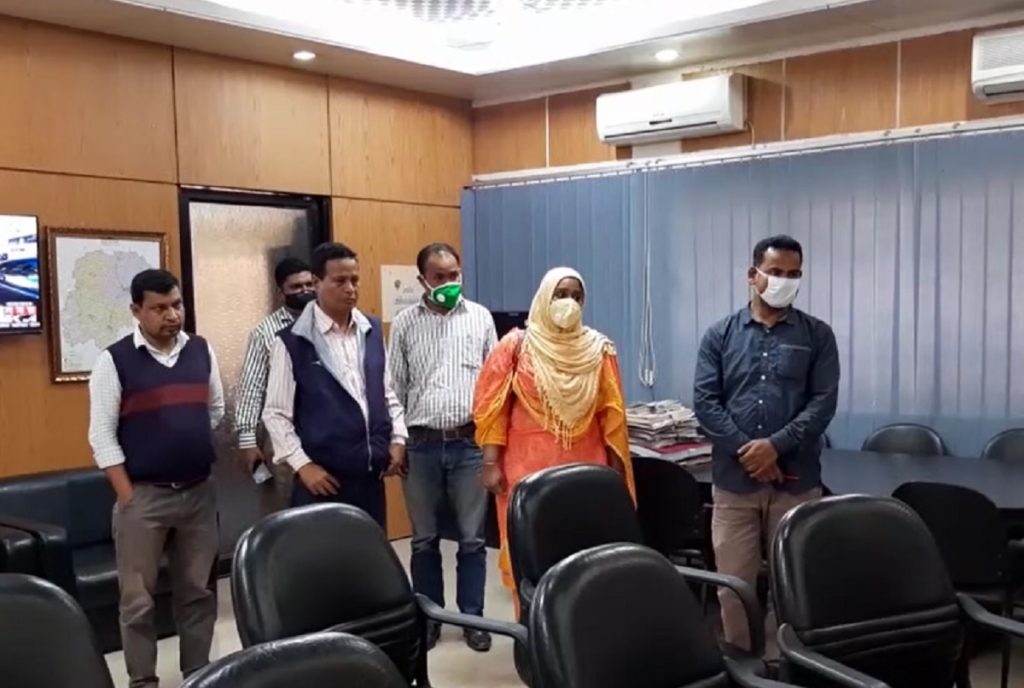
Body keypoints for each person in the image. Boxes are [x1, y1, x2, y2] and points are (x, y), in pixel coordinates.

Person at [693, 234, 840, 651]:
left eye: (794, 274)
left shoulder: (817, 336)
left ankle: (784, 665)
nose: (784, 281)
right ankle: (743, 666)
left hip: (796, 484)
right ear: (752, 275)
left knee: (792, 587)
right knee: (733, 586)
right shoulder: (720, 335)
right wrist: (750, 452)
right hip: (733, 485)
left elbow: (823, 403)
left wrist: (775, 446)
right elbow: (706, 402)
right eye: (775, 272)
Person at [88, 269, 223, 688]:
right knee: (137, 601)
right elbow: (101, 435)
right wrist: (127, 496)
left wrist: (186, 442)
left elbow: (215, 410)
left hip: (198, 494)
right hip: (144, 498)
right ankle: (142, 680)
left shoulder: (200, 350)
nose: (172, 315)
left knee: (198, 591)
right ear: (137, 310)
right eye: (159, 308)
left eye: (176, 305)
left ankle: (198, 673)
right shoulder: (114, 360)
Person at [472, 266, 635, 606]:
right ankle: (530, 630)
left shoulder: (599, 349)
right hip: (524, 472)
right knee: (530, 558)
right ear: (544, 297)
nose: (569, 302)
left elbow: (613, 417)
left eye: (576, 296)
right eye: (561, 295)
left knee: (583, 557)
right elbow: (493, 409)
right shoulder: (516, 346)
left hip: (586, 468)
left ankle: (580, 631)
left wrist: (617, 478)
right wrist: (490, 463)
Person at [389, 242, 497, 652]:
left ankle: (473, 619)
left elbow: (493, 386)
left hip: (469, 445)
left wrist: (492, 447)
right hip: (421, 447)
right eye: (440, 277)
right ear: (423, 280)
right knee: (423, 540)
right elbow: (393, 389)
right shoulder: (405, 323)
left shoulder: (480, 318)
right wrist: (398, 440)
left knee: (472, 539)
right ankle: (430, 619)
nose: (450, 283)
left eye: (454, 275)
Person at [263, 242, 407, 526]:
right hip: (322, 481)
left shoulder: (371, 331)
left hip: (371, 477)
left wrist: (398, 439)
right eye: (340, 281)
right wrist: (303, 465)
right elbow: (276, 413)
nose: (350, 288)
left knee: (367, 551)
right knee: (322, 555)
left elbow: (386, 393)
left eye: (355, 280)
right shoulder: (291, 341)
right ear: (317, 283)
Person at [235, 257, 316, 514]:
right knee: (286, 507)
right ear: (281, 293)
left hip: (323, 428)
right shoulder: (265, 331)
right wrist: (248, 440)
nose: (305, 291)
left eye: (309, 284)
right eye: (296, 287)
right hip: (281, 430)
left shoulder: (328, 322)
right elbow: (252, 386)